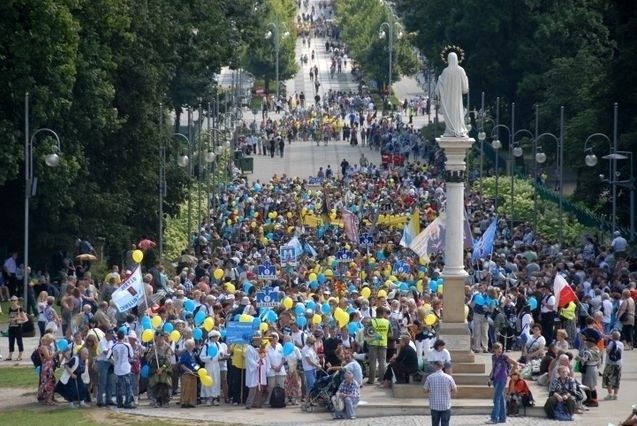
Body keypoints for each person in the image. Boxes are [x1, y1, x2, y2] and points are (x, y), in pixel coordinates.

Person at [435, 51, 469, 137]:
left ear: (448, 60)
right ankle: (459, 129)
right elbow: (465, 89)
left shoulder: (445, 72)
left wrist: (439, 79)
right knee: (458, 114)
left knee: (450, 115)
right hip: (457, 100)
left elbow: (439, 89)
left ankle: (450, 130)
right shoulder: (461, 70)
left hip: (448, 101)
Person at [487, 342, 520, 424]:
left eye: (500, 348)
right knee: (501, 399)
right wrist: (490, 378)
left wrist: (510, 373)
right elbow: (493, 367)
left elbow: (515, 363)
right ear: (494, 349)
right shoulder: (493, 357)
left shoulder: (504, 357)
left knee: (496, 399)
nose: (499, 350)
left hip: (502, 379)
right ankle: (502, 418)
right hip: (495, 379)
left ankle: (494, 418)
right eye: (497, 348)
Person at [423, 360, 457, 426]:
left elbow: (424, 390)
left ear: (435, 366)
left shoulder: (430, 377)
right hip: (445, 405)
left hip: (434, 405)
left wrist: (430, 390)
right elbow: (455, 390)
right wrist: (449, 390)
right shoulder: (449, 377)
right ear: (442, 367)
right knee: (445, 423)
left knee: (435, 423)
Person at [146, 330, 174, 408]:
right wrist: (151, 354)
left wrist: (162, 369)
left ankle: (165, 401)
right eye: (157, 338)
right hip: (155, 367)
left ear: (163, 338)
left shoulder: (167, 347)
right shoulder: (153, 347)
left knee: (165, 383)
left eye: (160, 338)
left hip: (165, 367)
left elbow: (168, 360)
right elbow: (147, 358)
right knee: (154, 383)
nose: (159, 340)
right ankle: (156, 401)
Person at [109, 330, 135, 409]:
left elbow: (108, 356)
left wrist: (114, 362)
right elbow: (131, 356)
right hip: (126, 367)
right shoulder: (127, 345)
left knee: (118, 386)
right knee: (127, 386)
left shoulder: (113, 346)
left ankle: (119, 402)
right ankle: (128, 402)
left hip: (117, 368)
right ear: (124, 337)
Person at [245, 333, 269, 409]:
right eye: (258, 340)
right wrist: (257, 364)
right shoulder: (249, 349)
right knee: (253, 387)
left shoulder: (259, 349)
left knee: (259, 387)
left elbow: (264, 358)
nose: (260, 341)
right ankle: (249, 403)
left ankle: (257, 403)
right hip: (253, 370)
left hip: (259, 370)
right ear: (254, 340)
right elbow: (250, 360)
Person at [367, 306, 390, 385]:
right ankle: (382, 379)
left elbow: (368, 333)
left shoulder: (372, 321)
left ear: (376, 312)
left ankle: (371, 380)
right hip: (383, 344)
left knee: (372, 362)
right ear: (383, 313)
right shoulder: (387, 322)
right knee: (382, 362)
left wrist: (377, 336)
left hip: (373, 343)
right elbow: (390, 334)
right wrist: (382, 335)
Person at [200, 330, 222, 406]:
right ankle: (209, 398)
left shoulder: (218, 344)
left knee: (216, 381)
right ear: (212, 337)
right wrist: (209, 358)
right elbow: (202, 357)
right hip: (209, 365)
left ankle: (215, 397)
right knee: (209, 380)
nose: (217, 338)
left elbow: (220, 353)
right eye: (216, 337)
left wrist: (221, 355)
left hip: (216, 365)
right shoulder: (206, 345)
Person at [37, 333, 57, 405]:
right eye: (50, 340)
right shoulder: (44, 347)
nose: (51, 342)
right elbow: (48, 358)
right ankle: (47, 399)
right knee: (49, 383)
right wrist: (54, 354)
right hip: (47, 367)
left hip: (48, 366)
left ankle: (47, 399)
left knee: (49, 382)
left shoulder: (45, 347)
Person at [602, 330, 623, 401]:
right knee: (617, 379)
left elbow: (608, 350)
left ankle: (610, 394)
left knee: (608, 379)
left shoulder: (611, 343)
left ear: (612, 336)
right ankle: (615, 395)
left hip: (610, 363)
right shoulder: (621, 344)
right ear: (619, 337)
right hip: (619, 364)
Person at [6, 295, 28, 361]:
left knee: (19, 341)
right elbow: (9, 317)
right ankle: (10, 356)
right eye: (12, 300)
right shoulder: (10, 308)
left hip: (18, 327)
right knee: (11, 341)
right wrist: (10, 319)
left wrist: (17, 319)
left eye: (14, 300)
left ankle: (20, 355)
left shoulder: (20, 309)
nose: (13, 302)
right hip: (11, 327)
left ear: (17, 301)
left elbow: (25, 319)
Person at [178, 338, 198, 408]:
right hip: (186, 373)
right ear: (189, 346)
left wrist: (198, 370)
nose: (193, 346)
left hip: (193, 373)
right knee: (186, 388)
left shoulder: (192, 354)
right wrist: (188, 370)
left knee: (193, 388)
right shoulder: (185, 354)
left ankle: (191, 402)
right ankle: (184, 402)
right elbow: (182, 364)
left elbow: (194, 363)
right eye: (192, 345)